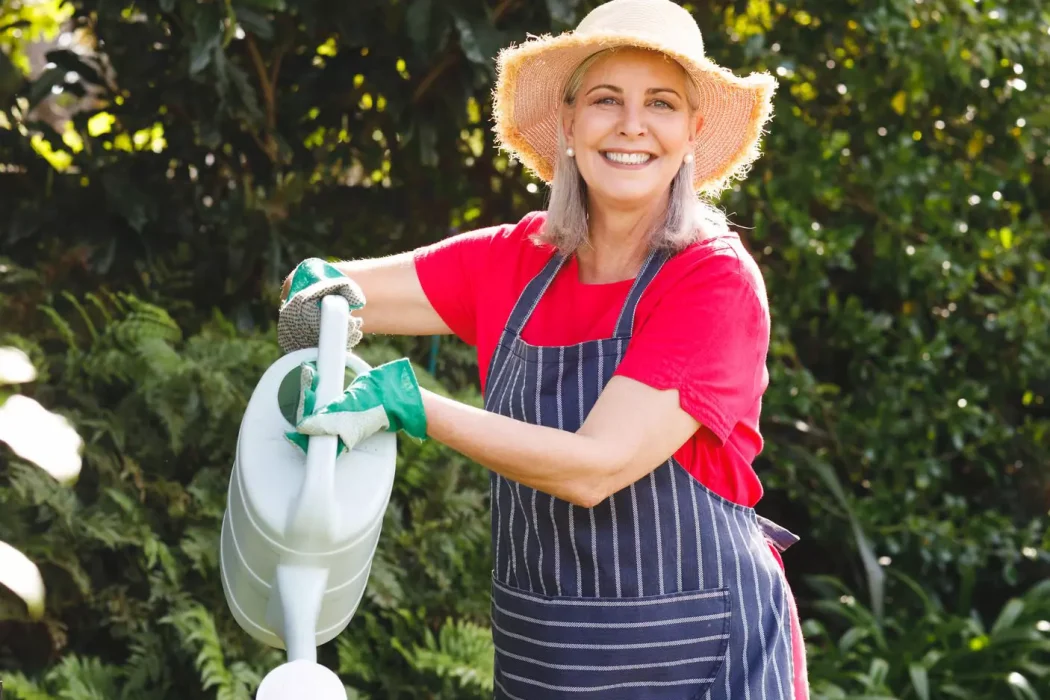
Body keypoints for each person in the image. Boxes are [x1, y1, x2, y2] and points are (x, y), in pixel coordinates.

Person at [280, 0, 810, 697]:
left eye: (661, 103)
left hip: (699, 659)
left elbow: (595, 468)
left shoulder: (711, 280)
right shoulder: (516, 260)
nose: (631, 125)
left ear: (692, 132)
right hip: (547, 659)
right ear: (567, 123)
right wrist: (314, 293)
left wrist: (411, 404)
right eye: (605, 100)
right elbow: (328, 295)